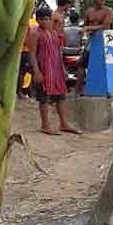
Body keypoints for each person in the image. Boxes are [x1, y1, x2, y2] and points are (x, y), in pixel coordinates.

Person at [27, 7, 80, 135]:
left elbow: (58, 52)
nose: (45, 22)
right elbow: (32, 53)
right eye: (41, 19)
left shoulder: (54, 34)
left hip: (56, 69)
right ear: (37, 20)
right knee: (44, 98)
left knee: (61, 96)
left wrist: (62, 68)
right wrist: (37, 71)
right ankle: (45, 125)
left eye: (47, 19)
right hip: (43, 69)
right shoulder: (35, 33)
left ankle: (63, 123)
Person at [77, 0, 113, 94]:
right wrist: (83, 31)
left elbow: (105, 26)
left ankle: (104, 90)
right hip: (91, 41)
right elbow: (85, 25)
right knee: (81, 64)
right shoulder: (89, 11)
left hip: (104, 42)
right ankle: (78, 89)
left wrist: (89, 27)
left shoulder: (109, 11)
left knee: (102, 66)